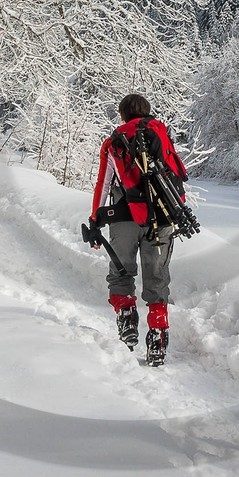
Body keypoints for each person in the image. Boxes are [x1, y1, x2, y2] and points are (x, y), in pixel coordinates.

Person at [85, 93, 190, 367]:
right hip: (162, 218)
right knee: (157, 279)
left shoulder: (113, 143)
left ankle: (127, 322)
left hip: (124, 219)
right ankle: (158, 341)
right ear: (147, 112)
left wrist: (95, 219)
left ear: (122, 116)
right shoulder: (161, 135)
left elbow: (103, 184)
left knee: (121, 273)